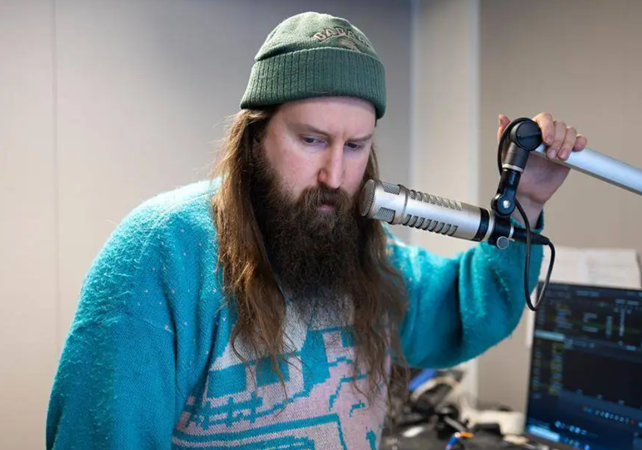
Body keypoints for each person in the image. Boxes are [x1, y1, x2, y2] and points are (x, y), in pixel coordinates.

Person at [46, 11, 587, 450]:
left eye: (355, 147)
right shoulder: (160, 253)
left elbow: (462, 311)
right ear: (255, 136)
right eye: (311, 140)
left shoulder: (366, 252)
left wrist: (527, 201)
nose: (335, 175)